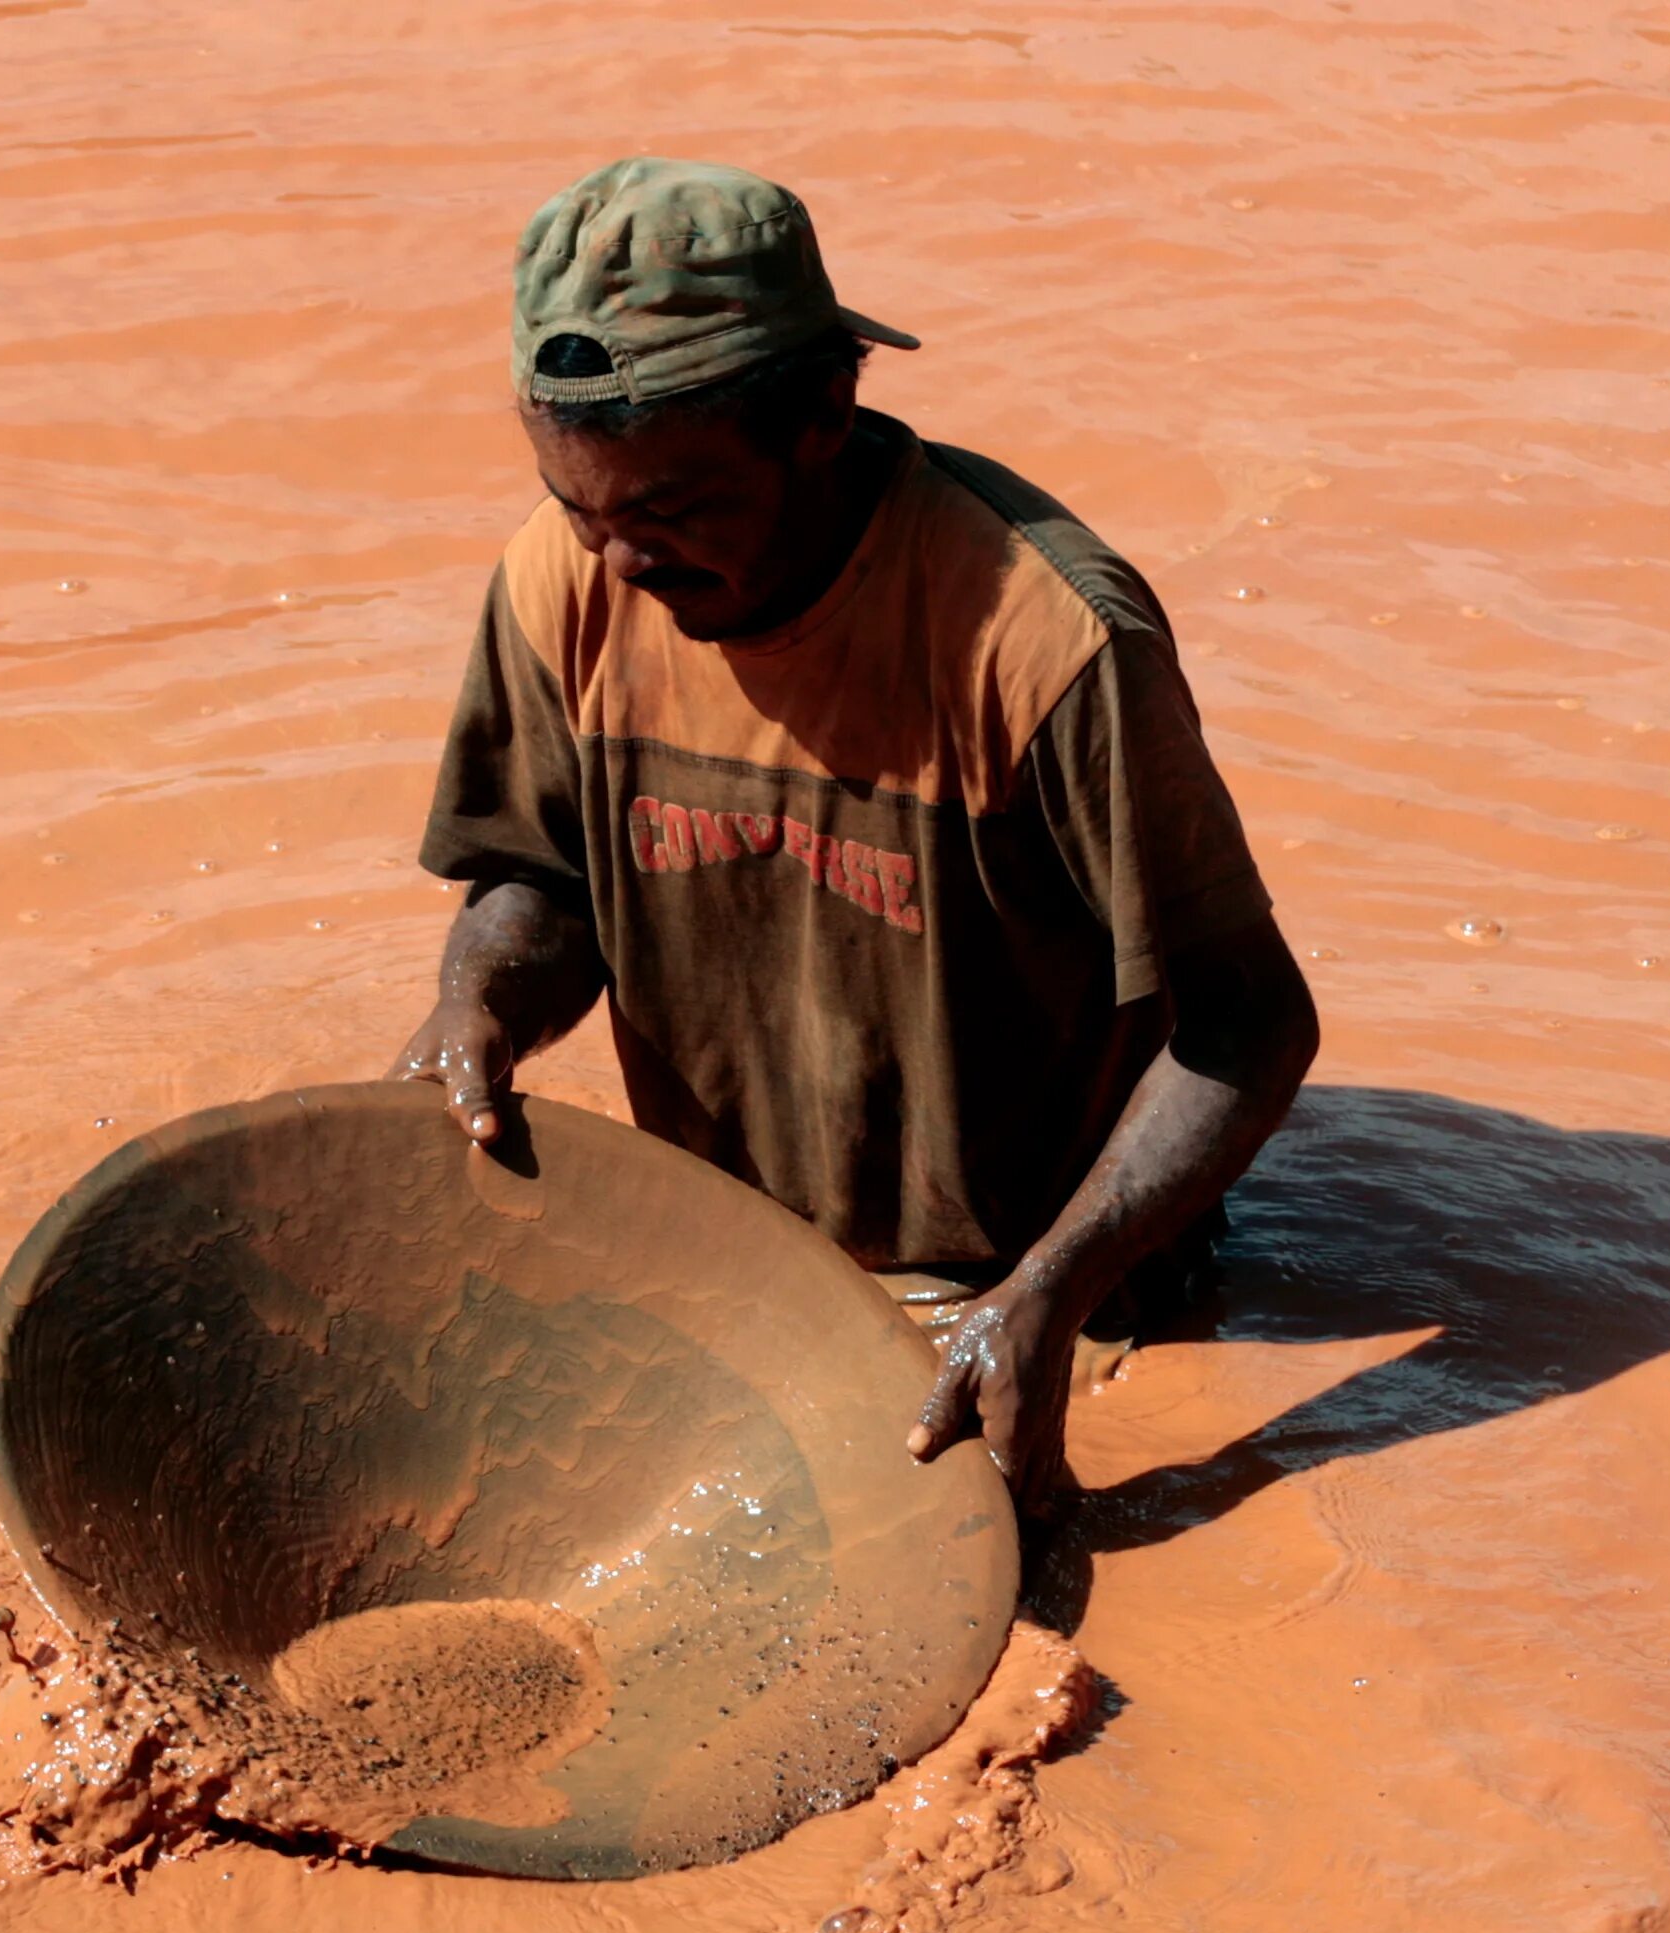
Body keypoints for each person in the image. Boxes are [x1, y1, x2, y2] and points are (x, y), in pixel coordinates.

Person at [393, 157, 1319, 1510]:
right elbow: (541, 877)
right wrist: (478, 1001)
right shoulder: (565, 578)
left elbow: (1248, 1025)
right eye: (581, 505)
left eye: (672, 511)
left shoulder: (1040, 639)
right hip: (739, 1277)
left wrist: (1047, 1291)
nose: (623, 564)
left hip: (1036, 1286)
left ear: (824, 411)